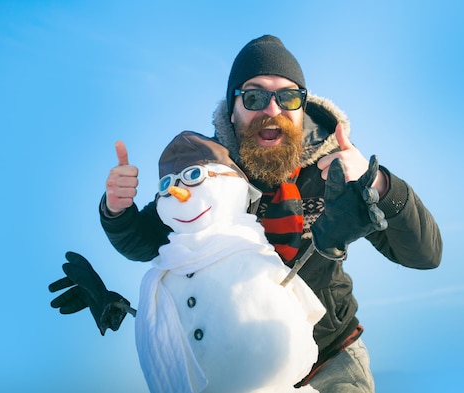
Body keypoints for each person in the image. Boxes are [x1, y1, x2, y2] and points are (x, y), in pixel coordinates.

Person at [98, 35, 442, 393]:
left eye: (288, 97)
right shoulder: (208, 171)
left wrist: (381, 186)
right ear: (233, 110)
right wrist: (117, 210)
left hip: (330, 359)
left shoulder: (337, 172)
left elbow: (425, 255)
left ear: (302, 108)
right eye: (254, 97)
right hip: (242, 366)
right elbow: (146, 242)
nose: (272, 110)